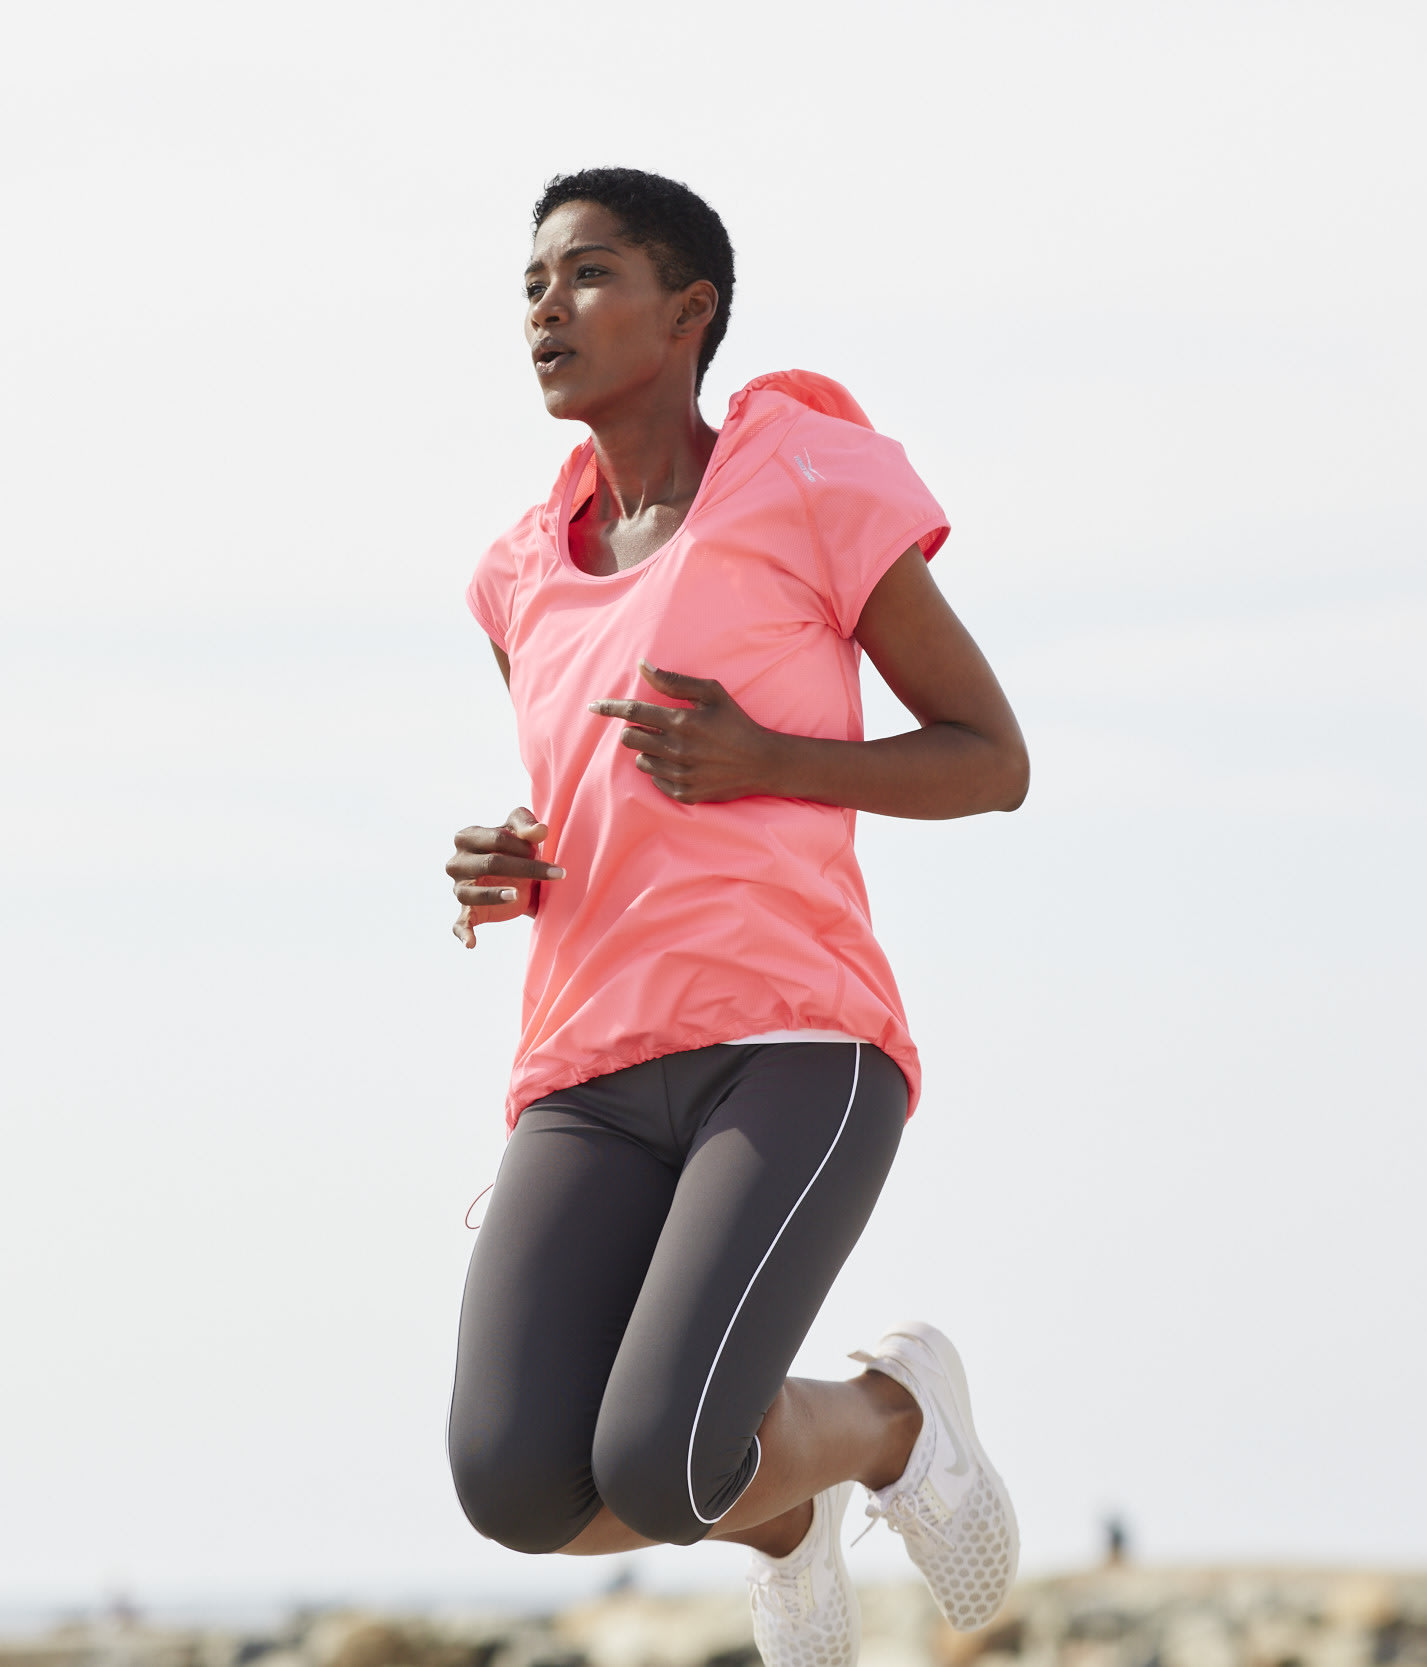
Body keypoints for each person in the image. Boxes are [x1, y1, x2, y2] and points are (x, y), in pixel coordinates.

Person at [444, 169, 1030, 1667]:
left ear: (688, 310)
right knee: (512, 1484)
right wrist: (514, 861)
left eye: (585, 276)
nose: (544, 311)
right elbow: (591, 804)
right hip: (584, 1066)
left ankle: (894, 1418)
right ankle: (792, 1515)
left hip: (789, 1044)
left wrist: (770, 759)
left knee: (663, 1463)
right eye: (530, 286)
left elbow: (989, 758)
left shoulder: (804, 487)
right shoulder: (520, 577)